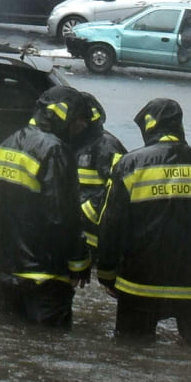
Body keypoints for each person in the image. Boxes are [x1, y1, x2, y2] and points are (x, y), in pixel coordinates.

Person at [95, 98, 191, 345]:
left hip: (138, 286)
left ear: (148, 127)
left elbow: (111, 226)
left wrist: (107, 275)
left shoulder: (130, 165)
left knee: (130, 352)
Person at [0, 86, 86, 327]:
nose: (80, 128)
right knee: (48, 343)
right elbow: (61, 217)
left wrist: (5, 251)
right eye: (78, 121)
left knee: (7, 338)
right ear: (64, 115)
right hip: (45, 278)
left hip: (5, 274)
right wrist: (78, 264)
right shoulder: (55, 149)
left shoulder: (7, 144)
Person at [66, 89, 128, 264]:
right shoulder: (73, 143)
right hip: (77, 233)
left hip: (94, 236)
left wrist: (84, 212)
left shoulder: (105, 145)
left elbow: (120, 189)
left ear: (84, 120)